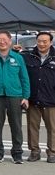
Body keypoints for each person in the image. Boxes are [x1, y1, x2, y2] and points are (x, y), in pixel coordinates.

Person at [0, 30, 31, 164]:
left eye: (4, 39)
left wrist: (26, 96)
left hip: (15, 95)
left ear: (10, 41)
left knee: (16, 125)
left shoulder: (18, 57)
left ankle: (17, 153)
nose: (2, 42)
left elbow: (24, 77)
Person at [23, 32, 54, 163]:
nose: (42, 44)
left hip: (51, 99)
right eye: (39, 41)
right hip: (33, 98)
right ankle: (34, 151)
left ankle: (52, 152)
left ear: (51, 42)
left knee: (52, 127)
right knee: (32, 126)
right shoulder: (28, 56)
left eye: (45, 41)